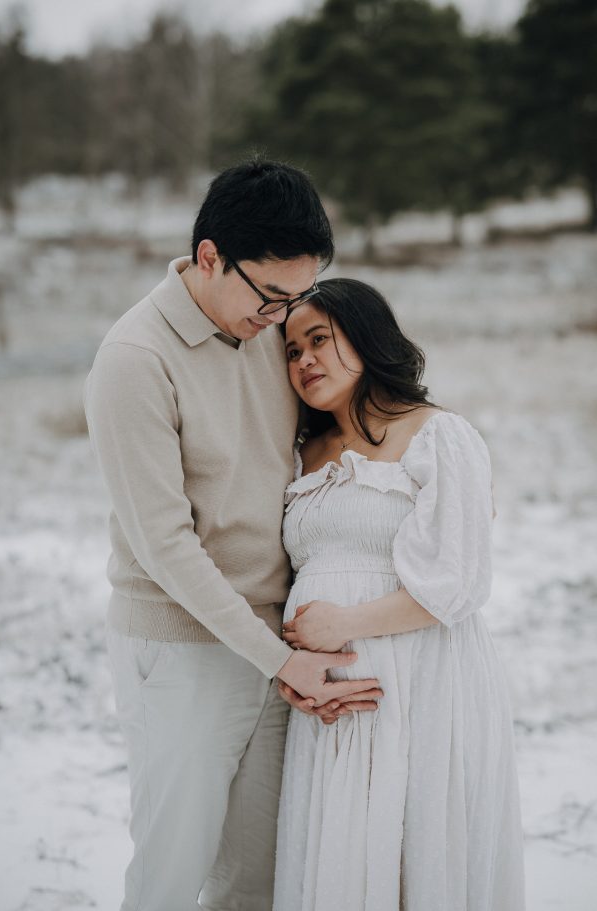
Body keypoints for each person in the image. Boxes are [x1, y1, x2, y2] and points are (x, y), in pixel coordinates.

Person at [84, 161, 382, 911]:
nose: (282, 317)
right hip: (182, 649)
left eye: (297, 298)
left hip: (274, 643)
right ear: (210, 256)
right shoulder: (135, 361)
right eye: (270, 295)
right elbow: (164, 545)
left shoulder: (266, 332)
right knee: (170, 873)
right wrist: (281, 659)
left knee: (258, 878)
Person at [273, 278, 526, 911]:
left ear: (365, 335)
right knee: (341, 863)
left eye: (319, 340)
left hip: (422, 685)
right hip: (328, 700)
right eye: (292, 350)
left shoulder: (438, 435)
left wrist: (344, 624)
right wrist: (290, 664)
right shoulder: (300, 455)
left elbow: (459, 584)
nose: (304, 360)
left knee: (416, 857)